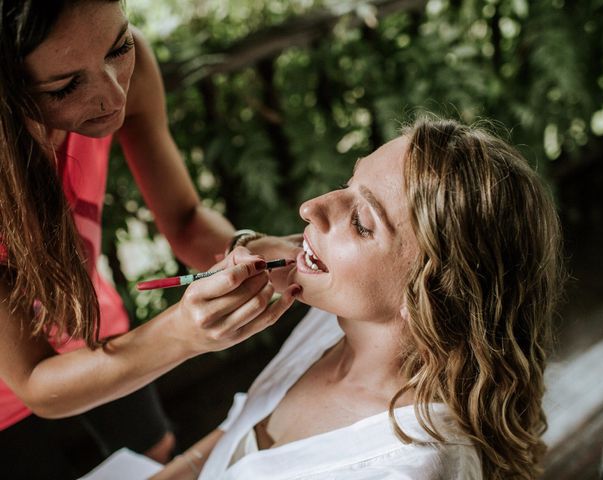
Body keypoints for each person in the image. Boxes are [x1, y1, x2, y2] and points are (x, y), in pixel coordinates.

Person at [140, 116, 564, 480]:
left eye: (361, 221)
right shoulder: (331, 325)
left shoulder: (411, 467)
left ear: (430, 296)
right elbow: (227, 442)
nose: (311, 207)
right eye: (348, 183)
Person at [0, 0, 300, 477]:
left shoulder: (129, 75)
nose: (113, 95)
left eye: (118, 47)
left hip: (87, 318)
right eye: (65, 85)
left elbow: (184, 220)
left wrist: (247, 251)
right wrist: (185, 332)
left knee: (154, 452)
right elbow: (36, 383)